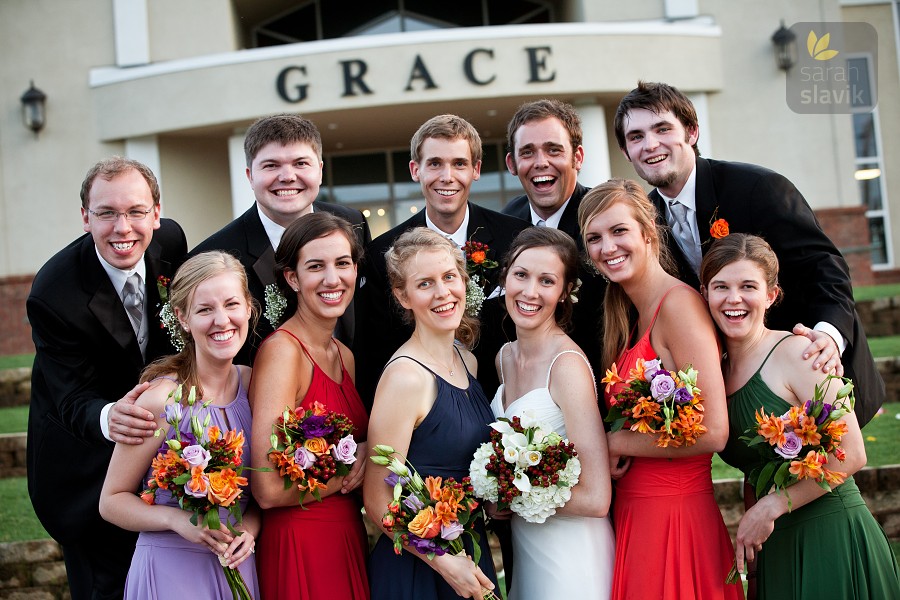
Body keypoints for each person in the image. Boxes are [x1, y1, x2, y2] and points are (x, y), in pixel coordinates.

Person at [613, 80, 884, 426]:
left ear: (692, 132)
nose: (650, 144)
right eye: (636, 136)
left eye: (662, 129)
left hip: (811, 368)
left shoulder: (757, 188)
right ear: (625, 151)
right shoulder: (646, 219)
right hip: (742, 386)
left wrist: (827, 336)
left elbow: (824, 266)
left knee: (824, 472)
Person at [700, 233, 900, 599]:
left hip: (832, 533)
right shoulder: (717, 372)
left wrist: (772, 506)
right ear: (705, 293)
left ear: (771, 295)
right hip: (775, 546)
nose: (733, 299)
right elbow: (754, 471)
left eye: (748, 286)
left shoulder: (800, 353)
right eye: (720, 286)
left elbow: (853, 453)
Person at [27, 157, 187, 599]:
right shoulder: (53, 293)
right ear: (85, 218)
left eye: (136, 212)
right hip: (84, 469)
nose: (123, 228)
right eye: (107, 213)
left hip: (160, 465)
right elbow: (70, 395)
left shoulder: (171, 242)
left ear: (156, 213)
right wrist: (110, 417)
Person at [578, 179, 743, 599]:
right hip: (638, 512)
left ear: (648, 232)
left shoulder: (679, 307)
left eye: (619, 231)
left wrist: (614, 443)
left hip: (675, 516)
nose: (607, 246)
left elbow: (713, 431)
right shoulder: (630, 313)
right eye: (594, 238)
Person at [99, 251, 260, 599]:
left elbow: (257, 495)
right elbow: (111, 501)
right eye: (204, 310)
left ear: (248, 307)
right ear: (183, 318)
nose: (222, 320)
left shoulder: (255, 386)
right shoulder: (161, 399)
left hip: (237, 566)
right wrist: (175, 520)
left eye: (232, 304)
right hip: (170, 570)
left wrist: (249, 530)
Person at [355, 114, 529, 406]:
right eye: (435, 163)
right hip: (424, 412)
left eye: (459, 164)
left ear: (476, 170)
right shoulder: (382, 254)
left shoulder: (516, 239)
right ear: (415, 170)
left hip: (507, 403)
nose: (447, 176)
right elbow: (374, 352)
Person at [364, 228, 498, 600]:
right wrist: (441, 560)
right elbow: (377, 499)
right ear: (402, 296)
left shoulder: (466, 359)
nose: (443, 293)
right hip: (420, 570)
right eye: (425, 284)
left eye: (449, 277)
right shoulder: (405, 377)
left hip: (469, 554)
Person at [249, 212, 370, 600]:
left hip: (346, 535)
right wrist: (351, 470)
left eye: (343, 264)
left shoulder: (344, 355)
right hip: (300, 542)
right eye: (316, 266)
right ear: (292, 278)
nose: (332, 279)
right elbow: (266, 488)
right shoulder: (283, 353)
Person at [489, 227, 614, 600]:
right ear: (506, 277)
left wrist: (508, 493)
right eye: (521, 275)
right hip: (528, 548)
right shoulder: (504, 357)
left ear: (564, 292)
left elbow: (595, 497)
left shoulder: (567, 365)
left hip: (572, 556)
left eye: (547, 281)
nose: (530, 292)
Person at [191, 113, 371, 366]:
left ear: (319, 170)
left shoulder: (353, 223)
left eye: (300, 163)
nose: (287, 176)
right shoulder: (216, 255)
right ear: (250, 175)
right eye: (271, 165)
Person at [502, 99, 606, 375]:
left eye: (553, 150)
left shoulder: (603, 219)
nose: (541, 162)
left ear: (578, 157)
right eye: (527, 152)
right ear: (512, 163)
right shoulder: (507, 219)